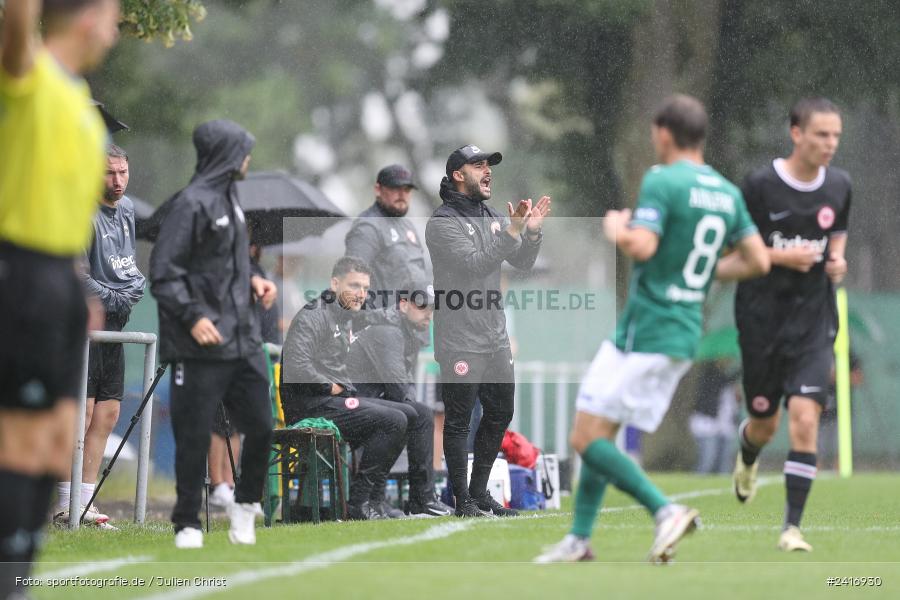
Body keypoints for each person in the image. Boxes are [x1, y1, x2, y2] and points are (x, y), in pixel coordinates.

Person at [535, 94, 769, 564]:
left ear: (664, 132)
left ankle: (664, 510)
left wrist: (617, 229)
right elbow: (758, 260)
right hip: (676, 331)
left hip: (650, 328)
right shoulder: (726, 192)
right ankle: (579, 540)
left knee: (584, 439)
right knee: (599, 430)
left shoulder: (663, 180)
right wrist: (698, 274)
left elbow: (641, 245)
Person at [0, 0, 119, 593]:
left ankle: (17, 575)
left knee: (53, 446)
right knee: (20, 439)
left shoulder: (78, 99)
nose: (117, 29)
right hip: (20, 269)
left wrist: (76, 285)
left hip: (59, 283)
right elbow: (17, 24)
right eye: (114, 15)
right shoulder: (29, 72)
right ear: (88, 18)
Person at [150, 119, 277, 549]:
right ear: (224, 154)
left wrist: (253, 282)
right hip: (199, 344)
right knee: (194, 432)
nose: (248, 158)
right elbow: (164, 275)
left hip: (243, 339)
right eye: (243, 149)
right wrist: (191, 317)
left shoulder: (231, 200)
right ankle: (186, 521)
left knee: (261, 426)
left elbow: (226, 266)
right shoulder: (189, 205)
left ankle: (245, 506)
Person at [732, 97, 851, 553]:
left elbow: (836, 238)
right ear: (796, 133)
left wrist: (836, 261)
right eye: (822, 134)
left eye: (836, 135)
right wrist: (782, 256)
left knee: (805, 419)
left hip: (814, 321)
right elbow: (736, 253)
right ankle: (748, 454)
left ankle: (792, 529)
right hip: (762, 321)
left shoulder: (840, 185)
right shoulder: (760, 185)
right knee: (765, 422)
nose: (830, 144)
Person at [425, 144, 550, 517]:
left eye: (489, 164)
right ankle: (461, 499)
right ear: (458, 175)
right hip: (459, 338)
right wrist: (510, 232)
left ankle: (479, 494)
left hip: (494, 336)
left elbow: (523, 264)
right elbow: (474, 264)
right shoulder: (441, 223)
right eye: (478, 165)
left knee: (500, 412)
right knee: (460, 420)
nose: (487, 170)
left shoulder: (494, 216)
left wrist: (529, 235)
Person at [54, 144, 145, 530]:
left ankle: (85, 504)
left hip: (115, 326)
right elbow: (77, 273)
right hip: (82, 325)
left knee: (107, 414)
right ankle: (63, 505)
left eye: (123, 172)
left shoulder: (126, 212)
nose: (118, 180)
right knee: (83, 412)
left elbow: (131, 271)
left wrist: (128, 291)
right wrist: (115, 297)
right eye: (110, 173)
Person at [280, 256, 409, 520]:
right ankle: (359, 504)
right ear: (335, 283)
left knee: (411, 414)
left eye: (364, 288)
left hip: (333, 402)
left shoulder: (345, 315)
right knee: (394, 421)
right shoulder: (314, 316)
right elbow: (296, 366)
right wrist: (330, 387)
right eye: (354, 286)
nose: (361, 294)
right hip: (311, 407)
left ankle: (374, 502)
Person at [346, 278, 454, 517]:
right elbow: (399, 387)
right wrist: (409, 402)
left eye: (431, 308)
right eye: (421, 306)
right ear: (403, 305)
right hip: (348, 406)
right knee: (420, 415)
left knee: (408, 413)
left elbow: (401, 387)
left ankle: (377, 500)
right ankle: (421, 499)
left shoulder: (405, 330)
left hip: (365, 402)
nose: (428, 314)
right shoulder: (389, 331)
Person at [344, 164, 427, 306]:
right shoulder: (368, 227)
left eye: (407, 189)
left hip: (411, 323)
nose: (402, 195)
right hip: (379, 323)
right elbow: (353, 281)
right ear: (378, 190)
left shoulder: (408, 227)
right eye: (395, 188)